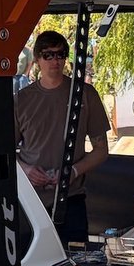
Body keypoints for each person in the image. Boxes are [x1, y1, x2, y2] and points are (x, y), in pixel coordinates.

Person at [14, 30, 110, 246]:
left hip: (71, 197)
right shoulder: (22, 99)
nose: (54, 61)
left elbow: (101, 149)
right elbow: (4, 152)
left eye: (60, 54)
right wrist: (26, 171)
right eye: (48, 55)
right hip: (31, 201)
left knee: (75, 264)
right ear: (37, 59)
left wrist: (72, 171)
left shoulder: (85, 94)